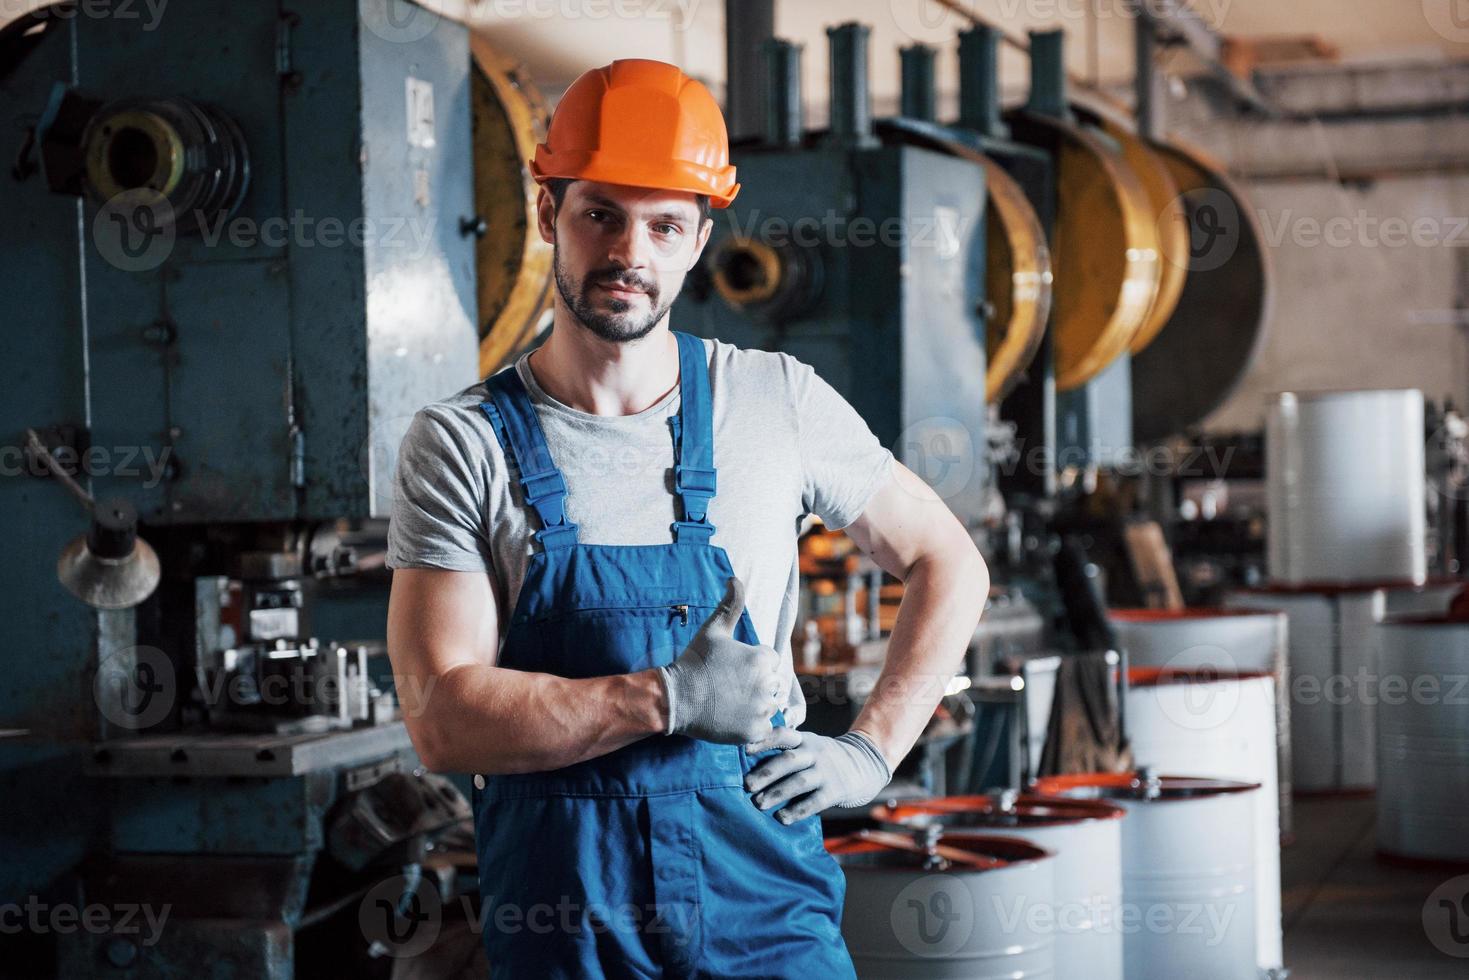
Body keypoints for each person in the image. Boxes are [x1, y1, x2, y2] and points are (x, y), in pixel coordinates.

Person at [385, 58, 989, 978]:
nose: (631, 253)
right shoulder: (461, 442)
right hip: (565, 920)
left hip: (760, 908)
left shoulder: (775, 401)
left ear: (699, 239)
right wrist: (662, 699)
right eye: (601, 215)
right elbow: (441, 716)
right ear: (549, 213)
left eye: (665, 224)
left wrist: (870, 752)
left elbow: (950, 563)